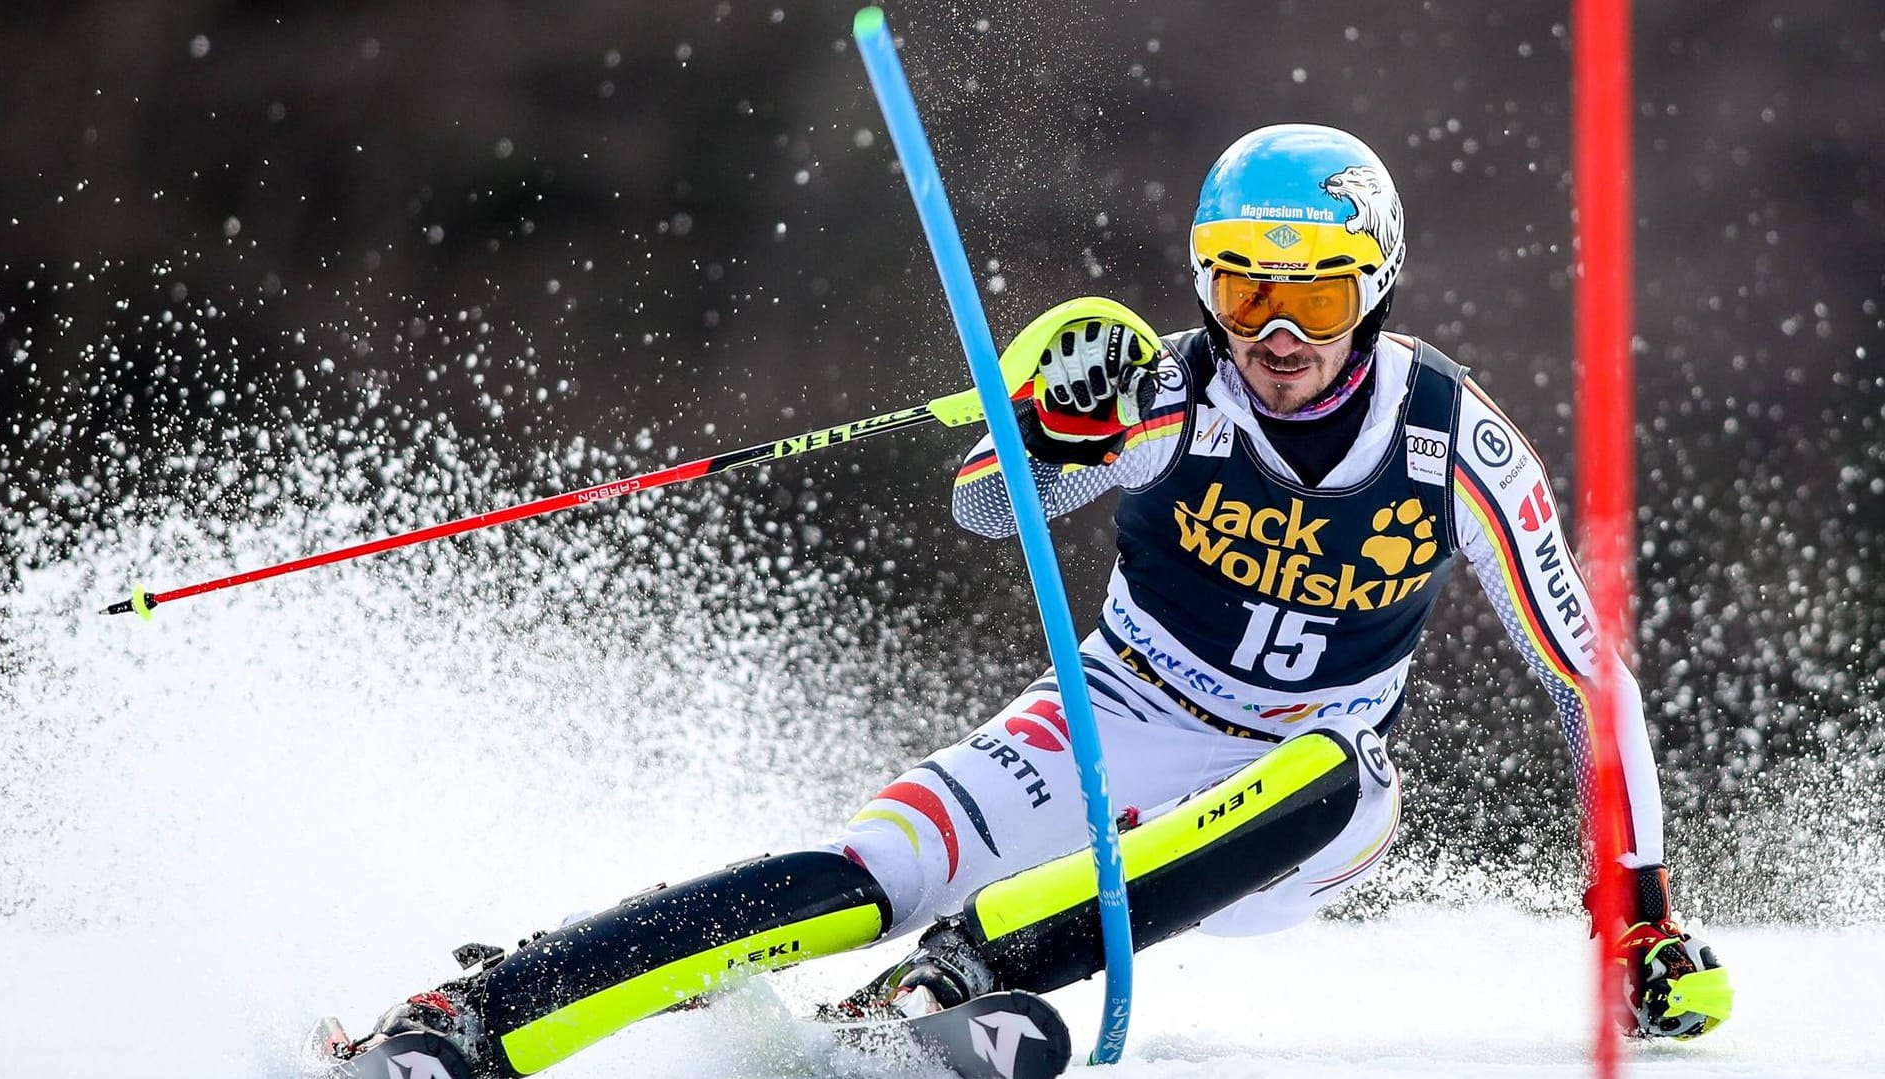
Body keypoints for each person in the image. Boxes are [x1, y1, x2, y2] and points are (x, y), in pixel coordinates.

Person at [330, 124, 1731, 1076]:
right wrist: (1047, 428)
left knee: (1339, 767)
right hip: (1112, 713)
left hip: (1300, 798)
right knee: (869, 867)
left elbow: (1581, 672)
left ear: (1376, 284)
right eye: (1242, 295)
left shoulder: (1448, 437)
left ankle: (946, 982)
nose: (1281, 335)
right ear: (1206, 289)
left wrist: (1639, 917)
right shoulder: (1175, 390)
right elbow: (989, 507)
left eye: (1318, 292)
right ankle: (485, 1013)